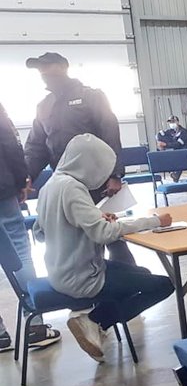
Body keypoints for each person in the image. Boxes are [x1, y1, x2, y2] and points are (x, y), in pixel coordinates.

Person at [35, 134, 174, 362]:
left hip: (60, 270)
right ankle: (96, 321)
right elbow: (104, 234)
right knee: (164, 285)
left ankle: (96, 323)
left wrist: (93, 217)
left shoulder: (51, 184)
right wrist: (155, 221)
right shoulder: (72, 188)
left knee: (142, 274)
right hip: (82, 277)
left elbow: (39, 233)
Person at [24, 52, 134, 264]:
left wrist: (115, 175)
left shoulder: (91, 96)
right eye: (40, 69)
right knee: (77, 239)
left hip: (98, 182)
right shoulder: (43, 106)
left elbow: (110, 134)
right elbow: (36, 147)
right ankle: (91, 278)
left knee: (112, 236)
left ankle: (129, 277)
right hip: (66, 186)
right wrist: (26, 175)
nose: (44, 72)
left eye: (47, 66)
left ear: (63, 67)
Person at [0, 101, 61, 352]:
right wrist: (22, 180)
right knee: (20, 251)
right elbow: (9, 144)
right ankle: (35, 327)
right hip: (2, 189)